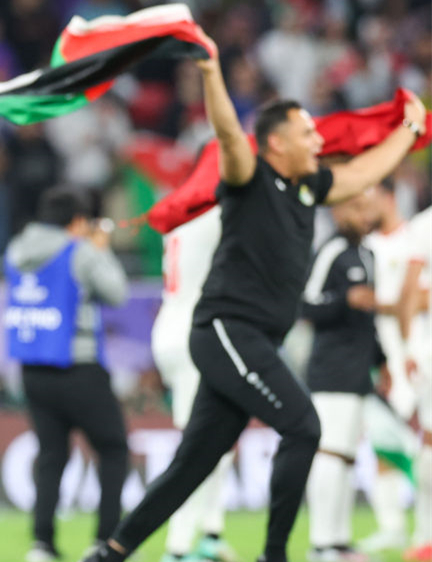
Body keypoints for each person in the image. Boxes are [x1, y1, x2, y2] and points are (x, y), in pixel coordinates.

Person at [87, 29, 427, 562]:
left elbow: (364, 170)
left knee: (193, 463)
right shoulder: (249, 177)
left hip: (253, 338)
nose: (317, 141)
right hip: (227, 330)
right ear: (276, 144)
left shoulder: (308, 187)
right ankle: (274, 555)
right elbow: (228, 135)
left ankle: (111, 551)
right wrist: (210, 74)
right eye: (307, 133)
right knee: (303, 426)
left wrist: (408, 131)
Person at [4, 187, 129, 562]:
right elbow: (117, 293)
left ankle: (42, 544)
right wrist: (100, 249)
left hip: (32, 367)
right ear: (76, 221)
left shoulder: (16, 250)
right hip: (80, 366)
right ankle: (105, 541)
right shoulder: (81, 251)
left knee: (51, 455)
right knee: (113, 449)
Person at [151, 205, 237, 562]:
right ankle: (179, 547)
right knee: (200, 445)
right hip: (195, 332)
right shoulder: (214, 214)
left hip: (170, 325)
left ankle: (211, 532)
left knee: (221, 435)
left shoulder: (179, 216)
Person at [301, 187, 380, 561]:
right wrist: (344, 300)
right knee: (330, 454)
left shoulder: (368, 254)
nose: (365, 217)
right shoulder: (330, 251)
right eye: (357, 208)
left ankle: (340, 540)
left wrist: (381, 362)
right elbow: (306, 303)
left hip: (359, 369)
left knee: (347, 457)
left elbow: (370, 321)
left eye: (368, 209)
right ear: (338, 212)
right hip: (331, 369)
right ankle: (321, 544)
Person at [360, 180, 418, 553]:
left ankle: (423, 528)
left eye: (371, 198)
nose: (365, 207)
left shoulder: (416, 239)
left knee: (419, 440)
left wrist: (380, 302)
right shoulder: (366, 246)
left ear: (390, 198)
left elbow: (421, 297)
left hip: (415, 352)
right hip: (377, 356)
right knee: (382, 440)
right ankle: (391, 525)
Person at [398, 206, 432, 562]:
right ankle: (425, 536)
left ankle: (425, 537)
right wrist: (410, 346)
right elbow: (410, 290)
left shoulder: (423, 224)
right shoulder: (424, 225)